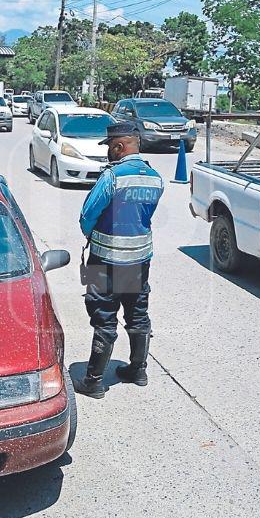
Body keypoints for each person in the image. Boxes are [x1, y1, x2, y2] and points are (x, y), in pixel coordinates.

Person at [75, 122, 164, 399]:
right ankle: (138, 370)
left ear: (119, 147)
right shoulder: (155, 177)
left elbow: (87, 216)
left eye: (110, 149)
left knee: (104, 316)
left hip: (104, 260)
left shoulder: (112, 177)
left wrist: (92, 235)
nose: (108, 155)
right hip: (139, 259)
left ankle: (94, 380)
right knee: (137, 313)